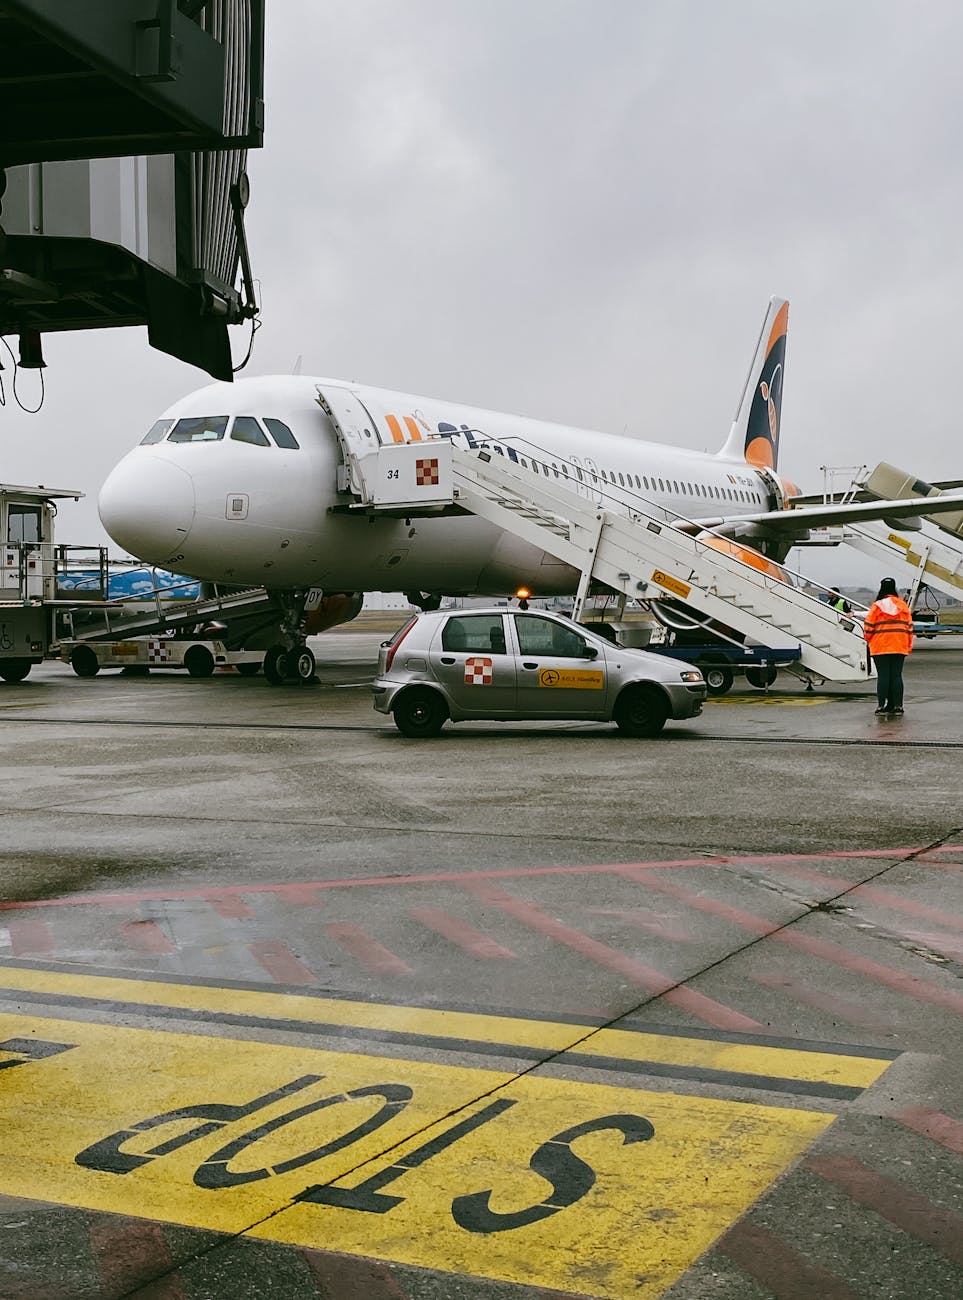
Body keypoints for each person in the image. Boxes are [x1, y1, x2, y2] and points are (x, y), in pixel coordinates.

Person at [863, 577, 914, 715]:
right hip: (899, 645)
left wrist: (867, 639)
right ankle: (897, 706)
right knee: (896, 676)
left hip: (880, 646)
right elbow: (909, 628)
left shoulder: (877, 606)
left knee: (884, 676)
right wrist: (908, 646)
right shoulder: (903, 606)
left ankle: (881, 706)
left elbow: (868, 626)